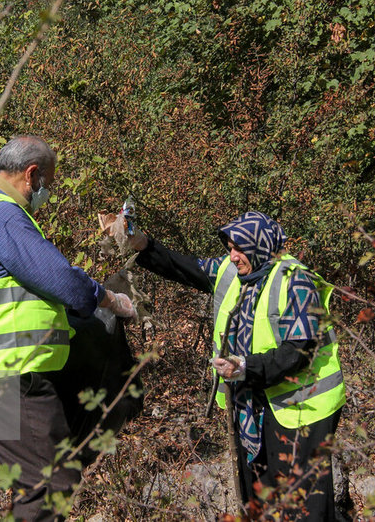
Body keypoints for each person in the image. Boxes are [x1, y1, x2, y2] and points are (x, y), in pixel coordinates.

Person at [0, 135, 137, 521]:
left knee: (36, 486)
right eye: (47, 182)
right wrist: (110, 301)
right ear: (31, 174)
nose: (47, 192)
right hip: (14, 376)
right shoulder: (1, 214)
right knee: (50, 486)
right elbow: (60, 279)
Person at [128, 211, 345, 520]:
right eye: (229, 248)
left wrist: (245, 367)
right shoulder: (234, 272)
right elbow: (186, 267)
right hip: (256, 400)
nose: (232, 256)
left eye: (239, 248)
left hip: (303, 407)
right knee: (262, 493)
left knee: (304, 503)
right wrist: (143, 244)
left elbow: (299, 350)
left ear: (260, 245)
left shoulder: (295, 279)